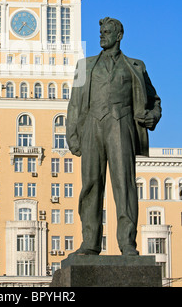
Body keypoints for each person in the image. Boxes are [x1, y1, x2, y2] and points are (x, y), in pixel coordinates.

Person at [66, 17, 161, 255]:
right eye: (100, 32)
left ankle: (127, 243)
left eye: (106, 32)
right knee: (90, 185)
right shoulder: (83, 66)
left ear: (119, 36)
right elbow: (74, 104)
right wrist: (72, 134)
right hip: (91, 127)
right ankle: (90, 243)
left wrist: (153, 115)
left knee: (125, 185)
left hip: (122, 126)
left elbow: (154, 100)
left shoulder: (136, 66)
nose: (102, 36)